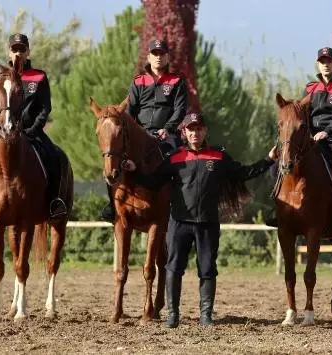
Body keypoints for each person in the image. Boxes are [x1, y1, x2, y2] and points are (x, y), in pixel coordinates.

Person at [121, 113, 277, 328]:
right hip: (179, 224)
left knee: (207, 268)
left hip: (208, 224)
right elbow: (153, 182)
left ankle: (206, 315)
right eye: (191, 129)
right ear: (184, 132)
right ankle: (173, 314)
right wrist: (135, 171)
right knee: (173, 267)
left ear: (205, 131)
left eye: (199, 129)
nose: (195, 133)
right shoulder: (174, 158)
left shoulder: (219, 157)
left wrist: (268, 160)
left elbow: (244, 173)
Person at [0, 33, 67, 223]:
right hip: (2, 133)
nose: (18, 53)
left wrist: (33, 130)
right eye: (14, 49)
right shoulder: (1, 76)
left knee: (56, 158)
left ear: (28, 51)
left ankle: (54, 203)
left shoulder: (39, 76)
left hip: (31, 133)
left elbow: (45, 108)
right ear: (9, 52)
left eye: (22, 49)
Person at [265, 47, 332, 230]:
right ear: (318, 65)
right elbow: (302, 114)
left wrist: (327, 131)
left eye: (329, 61)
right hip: (310, 139)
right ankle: (278, 209)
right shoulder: (310, 88)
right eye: (322, 62)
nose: (326, 65)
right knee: (276, 167)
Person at [99, 39, 188, 222]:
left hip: (167, 135)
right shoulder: (138, 82)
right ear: (148, 57)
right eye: (154, 54)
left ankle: (180, 203)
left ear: (167, 57)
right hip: (141, 135)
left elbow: (180, 109)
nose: (158, 57)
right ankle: (111, 205)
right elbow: (130, 112)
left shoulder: (177, 81)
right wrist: (136, 132)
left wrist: (167, 128)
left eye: (161, 54)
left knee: (180, 163)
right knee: (113, 161)